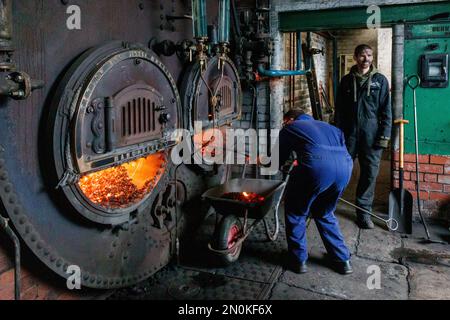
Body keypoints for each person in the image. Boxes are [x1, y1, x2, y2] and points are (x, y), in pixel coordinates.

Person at [277, 109, 353, 275]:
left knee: (296, 211)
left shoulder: (292, 127)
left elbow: (277, 159)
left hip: (317, 168)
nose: (284, 124)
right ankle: (342, 260)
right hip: (345, 168)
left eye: (284, 121)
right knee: (324, 212)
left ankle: (298, 260)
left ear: (290, 119)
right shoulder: (329, 127)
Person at [335, 44, 392, 229]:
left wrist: (384, 136)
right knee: (340, 170)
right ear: (355, 57)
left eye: (369, 55)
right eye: (361, 55)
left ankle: (364, 213)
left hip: (371, 135)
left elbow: (386, 111)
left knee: (369, 174)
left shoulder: (380, 81)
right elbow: (339, 111)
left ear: (372, 57)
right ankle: (328, 205)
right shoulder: (346, 81)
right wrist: (337, 135)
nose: (366, 58)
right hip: (349, 134)